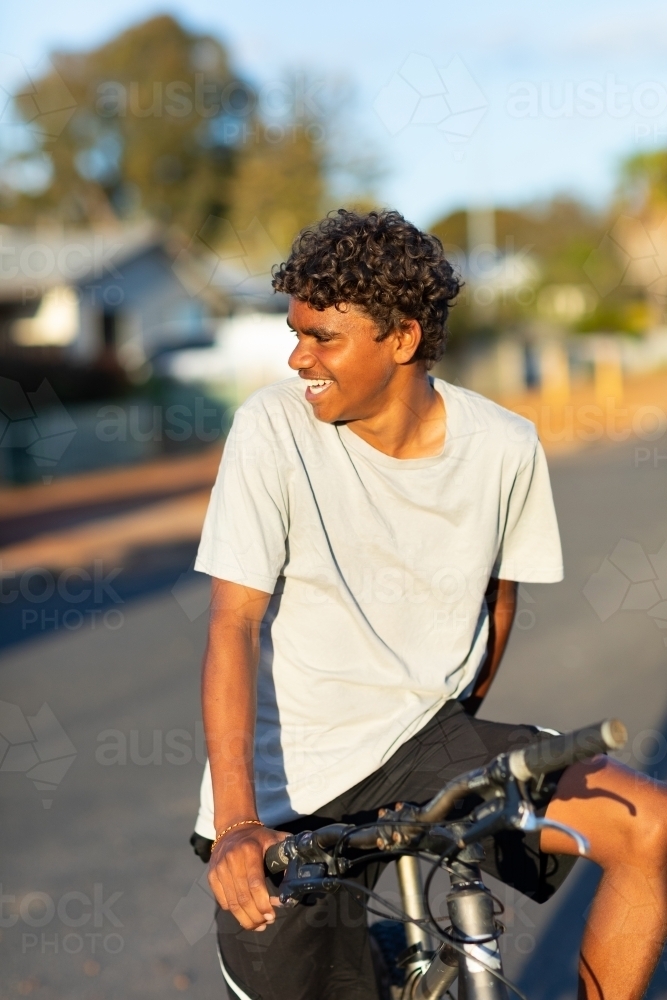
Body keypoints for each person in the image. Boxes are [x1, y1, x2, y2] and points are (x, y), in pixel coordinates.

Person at [191, 209, 667, 1000]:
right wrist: (239, 824)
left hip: (422, 744)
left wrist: (457, 719)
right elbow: (233, 623)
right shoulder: (271, 427)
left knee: (645, 823)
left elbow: (496, 595)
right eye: (295, 332)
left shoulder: (504, 446)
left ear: (402, 338)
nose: (296, 356)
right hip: (289, 788)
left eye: (322, 338)